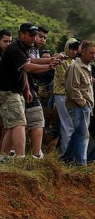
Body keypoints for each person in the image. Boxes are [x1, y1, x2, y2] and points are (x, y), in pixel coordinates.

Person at [0, 23, 59, 159]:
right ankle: (20, 157)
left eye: (35, 35)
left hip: (16, 91)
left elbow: (29, 62)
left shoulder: (22, 47)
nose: (34, 38)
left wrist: (26, 89)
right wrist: (49, 66)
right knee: (19, 123)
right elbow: (27, 67)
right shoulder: (15, 48)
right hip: (7, 92)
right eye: (31, 35)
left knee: (14, 125)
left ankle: (2, 156)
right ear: (22, 34)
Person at [61, 40, 95, 166]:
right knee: (83, 135)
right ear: (83, 52)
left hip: (84, 106)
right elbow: (72, 88)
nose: (94, 56)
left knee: (78, 133)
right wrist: (83, 104)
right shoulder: (75, 67)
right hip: (78, 105)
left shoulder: (87, 66)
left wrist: (88, 105)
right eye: (91, 53)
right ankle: (81, 164)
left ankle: (65, 159)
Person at [25, 26, 50, 158]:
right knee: (37, 120)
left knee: (19, 124)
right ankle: (36, 154)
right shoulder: (27, 49)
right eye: (40, 36)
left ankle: (8, 153)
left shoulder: (35, 50)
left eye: (44, 38)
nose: (42, 40)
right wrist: (50, 63)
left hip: (31, 88)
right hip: (26, 89)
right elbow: (29, 67)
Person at [52, 38, 79, 153]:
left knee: (68, 125)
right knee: (68, 125)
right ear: (67, 48)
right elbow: (65, 80)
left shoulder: (74, 61)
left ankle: (67, 153)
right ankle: (66, 154)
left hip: (70, 95)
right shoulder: (61, 60)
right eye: (72, 49)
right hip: (61, 94)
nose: (74, 51)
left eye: (76, 49)